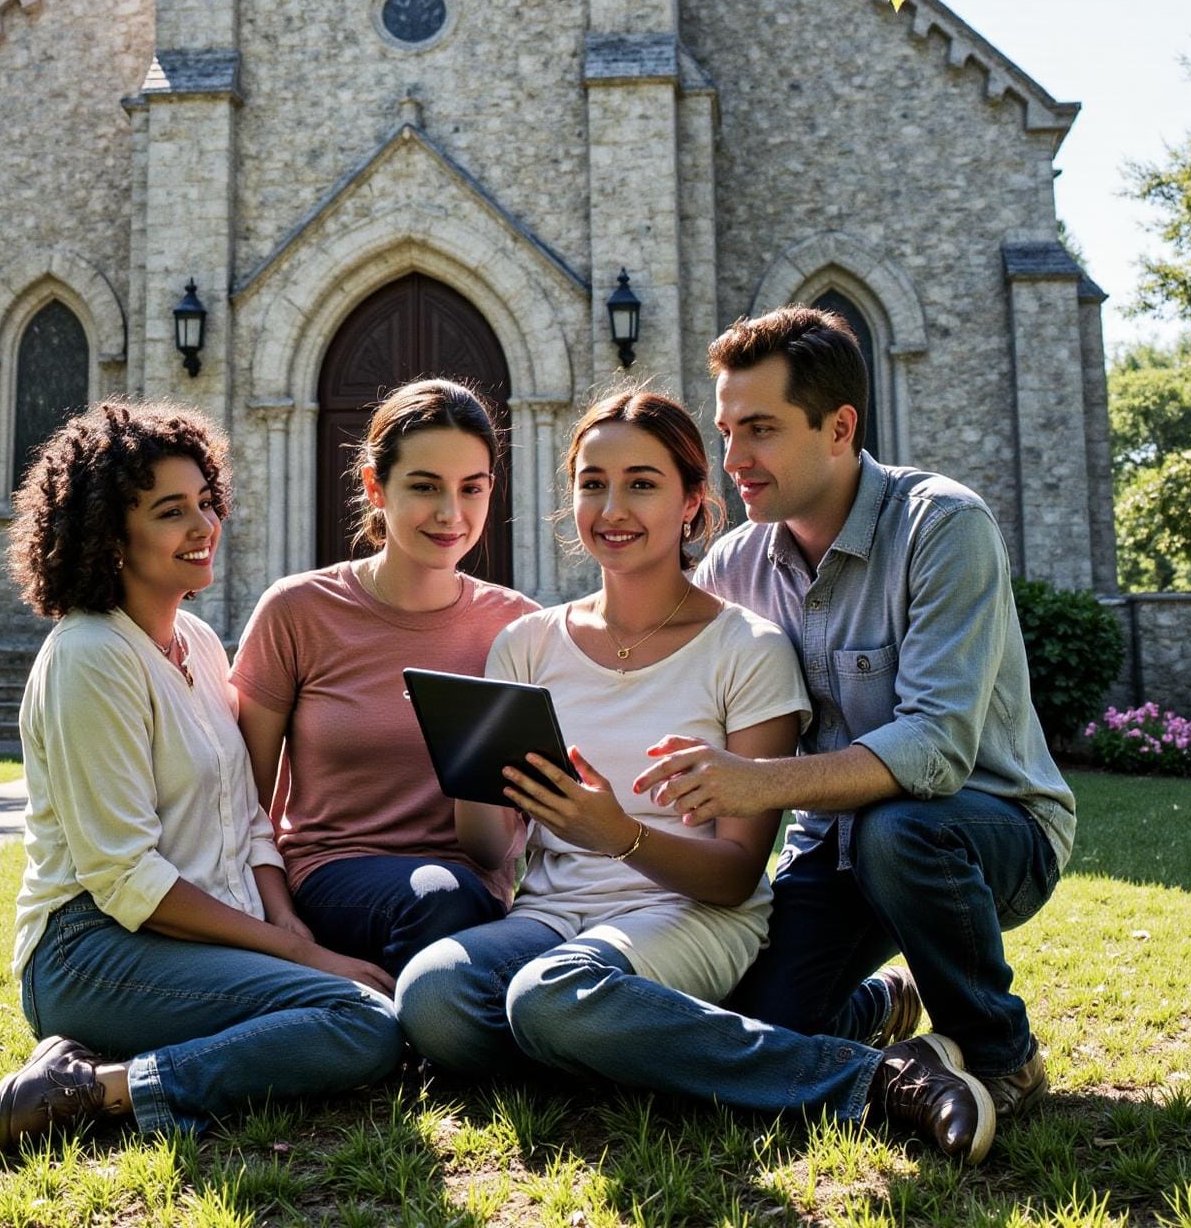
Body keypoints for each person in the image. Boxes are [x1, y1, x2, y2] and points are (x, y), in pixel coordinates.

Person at [396, 390, 1003, 1164]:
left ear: (693, 502)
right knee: (432, 997)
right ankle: (651, 1052)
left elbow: (733, 874)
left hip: (694, 916)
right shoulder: (526, 644)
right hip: (552, 918)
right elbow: (486, 850)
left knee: (550, 997)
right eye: (592, 482)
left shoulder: (746, 648)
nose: (612, 507)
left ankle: (872, 1081)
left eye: (643, 483)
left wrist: (618, 835)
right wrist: (471, 768)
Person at [638, 305, 1076, 1128]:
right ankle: (878, 1008)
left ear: (839, 427)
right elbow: (673, 684)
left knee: (900, 829)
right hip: (831, 851)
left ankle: (998, 1052)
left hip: (986, 833)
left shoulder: (945, 526)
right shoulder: (738, 564)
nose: (735, 459)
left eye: (760, 430)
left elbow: (937, 750)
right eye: (727, 432)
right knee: (761, 1031)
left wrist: (755, 783)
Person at [0, 398, 402, 1152]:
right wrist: (294, 954)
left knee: (358, 1002)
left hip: (192, 932)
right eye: (171, 511)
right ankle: (93, 1092)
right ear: (111, 536)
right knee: (359, 1022)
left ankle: (94, 1062)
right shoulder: (89, 656)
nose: (204, 526)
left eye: (206, 502)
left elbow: (247, 820)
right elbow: (125, 877)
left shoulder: (201, 642)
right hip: (88, 950)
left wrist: (290, 924)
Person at [230, 378, 539, 973]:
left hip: (474, 893)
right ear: (375, 486)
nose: (451, 514)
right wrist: (281, 922)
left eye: (470, 489)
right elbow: (243, 799)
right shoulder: (297, 611)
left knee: (451, 897)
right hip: (330, 879)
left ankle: (382, 1019)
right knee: (437, 898)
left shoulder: (521, 627)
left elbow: (524, 820)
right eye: (424, 487)